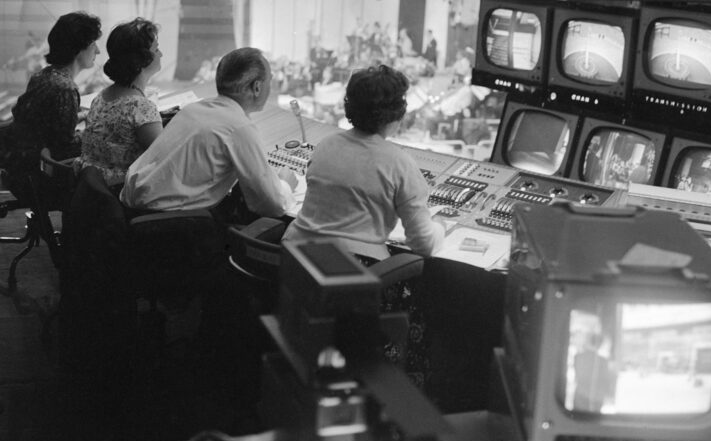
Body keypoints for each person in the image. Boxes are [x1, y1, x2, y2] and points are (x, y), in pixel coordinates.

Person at [283, 64, 444, 261]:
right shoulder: (400, 164)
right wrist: (439, 226)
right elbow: (424, 244)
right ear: (397, 114)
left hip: (295, 262)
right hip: (354, 272)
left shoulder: (325, 146)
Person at [120, 47, 297, 221]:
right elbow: (273, 205)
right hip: (167, 225)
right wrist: (286, 184)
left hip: (131, 209)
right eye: (269, 80)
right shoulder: (239, 128)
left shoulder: (193, 109)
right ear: (257, 87)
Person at [7, 11, 101, 190]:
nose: (97, 50)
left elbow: (43, 122)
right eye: (93, 44)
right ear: (79, 48)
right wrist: (97, 131)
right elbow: (64, 146)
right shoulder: (65, 88)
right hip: (40, 176)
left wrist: (80, 115)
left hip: (19, 166)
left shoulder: (43, 76)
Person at [75, 18, 163, 187]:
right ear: (142, 59)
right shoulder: (141, 108)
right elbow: (166, 159)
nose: (161, 54)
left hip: (95, 193)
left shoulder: (101, 97)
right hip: (123, 196)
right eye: (157, 49)